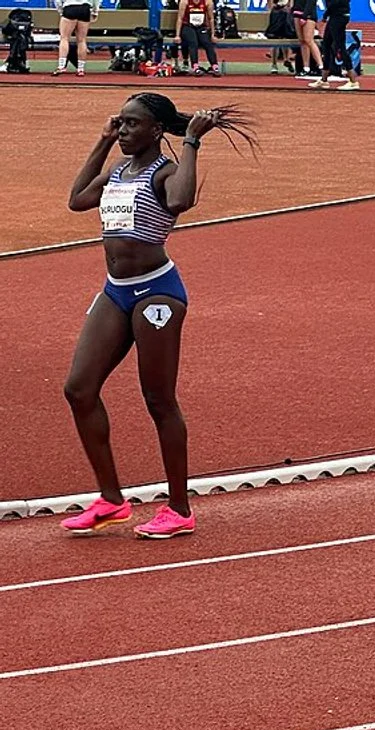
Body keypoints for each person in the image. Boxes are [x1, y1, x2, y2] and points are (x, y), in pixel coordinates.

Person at [60, 93, 256, 539]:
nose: (124, 130)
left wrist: (192, 142)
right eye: (121, 122)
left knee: (158, 399)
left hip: (157, 292)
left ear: (156, 130)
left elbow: (182, 200)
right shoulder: (118, 170)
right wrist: (102, 141)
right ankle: (111, 500)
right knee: (78, 389)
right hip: (116, 291)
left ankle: (179, 509)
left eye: (132, 124)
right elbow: (76, 199)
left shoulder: (165, 171)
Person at [308, 0, 359, 91]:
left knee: (340, 47)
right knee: (326, 45)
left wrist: (325, 15)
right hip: (334, 16)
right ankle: (324, 80)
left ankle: (353, 81)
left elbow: (335, 3)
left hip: (339, 16)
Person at [52, 0, 99, 77]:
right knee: (82, 40)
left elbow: (57, 1)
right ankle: (81, 68)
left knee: (64, 38)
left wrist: (61, 10)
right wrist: (95, 11)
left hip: (70, 7)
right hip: (85, 9)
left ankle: (61, 66)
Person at [174, 0, 221, 76]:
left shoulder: (208, 2)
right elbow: (180, 18)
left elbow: (211, 19)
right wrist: (177, 35)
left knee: (207, 43)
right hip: (188, 27)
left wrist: (213, 34)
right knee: (193, 42)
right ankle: (195, 66)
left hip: (201, 27)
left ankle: (214, 66)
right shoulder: (184, 2)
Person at [265, 0, 297, 75]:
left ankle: (286, 59)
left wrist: (289, 7)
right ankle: (274, 64)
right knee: (274, 40)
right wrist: (271, 6)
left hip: (286, 13)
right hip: (276, 13)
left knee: (286, 37)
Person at [292, 0, 323, 77]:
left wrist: (305, 16)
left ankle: (321, 66)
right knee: (302, 41)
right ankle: (306, 68)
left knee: (309, 40)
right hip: (297, 13)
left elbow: (311, 2)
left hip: (309, 15)